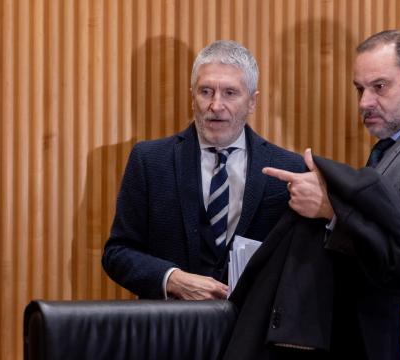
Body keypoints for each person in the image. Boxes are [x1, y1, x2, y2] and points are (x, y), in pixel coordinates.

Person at [262, 30, 400, 359]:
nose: (364, 102)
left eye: (379, 87)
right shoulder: (395, 146)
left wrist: (332, 210)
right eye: (360, 89)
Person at [102, 40, 305, 300]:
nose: (216, 105)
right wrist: (172, 279)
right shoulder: (149, 161)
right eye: (206, 91)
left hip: (253, 333)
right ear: (192, 96)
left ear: (252, 102)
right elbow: (117, 253)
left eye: (230, 93)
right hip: (171, 331)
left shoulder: (289, 168)